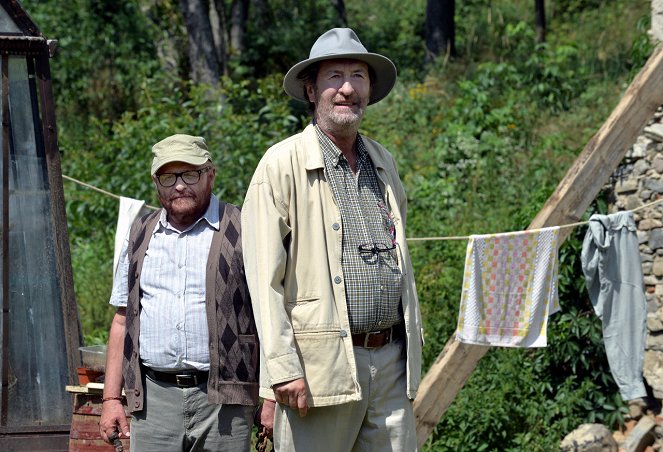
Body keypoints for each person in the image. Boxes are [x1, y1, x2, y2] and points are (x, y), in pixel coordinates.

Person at [241, 28, 424, 451]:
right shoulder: (280, 165)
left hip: (391, 361)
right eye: (334, 76)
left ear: (370, 89)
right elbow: (263, 280)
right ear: (311, 90)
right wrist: (282, 368)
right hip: (318, 367)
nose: (347, 88)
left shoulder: (383, 161)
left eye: (358, 75)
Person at [99, 134, 260, 451]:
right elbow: (122, 320)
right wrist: (110, 399)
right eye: (169, 176)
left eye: (190, 173)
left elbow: (271, 315)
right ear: (156, 181)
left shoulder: (244, 227)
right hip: (153, 402)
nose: (180, 185)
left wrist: (269, 397)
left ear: (210, 174)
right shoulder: (140, 233)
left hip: (223, 403)